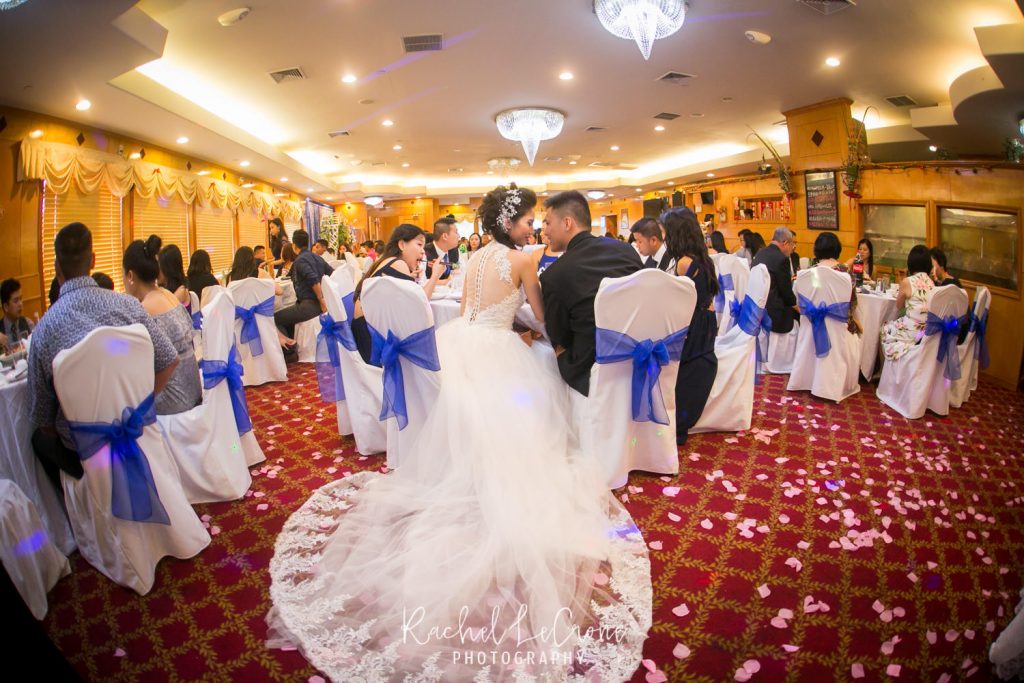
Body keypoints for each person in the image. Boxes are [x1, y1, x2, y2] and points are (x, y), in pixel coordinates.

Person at [266, 185, 651, 681]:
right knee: (532, 389)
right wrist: (544, 333)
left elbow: (471, 308)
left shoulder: (476, 257)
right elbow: (539, 316)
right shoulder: (522, 259)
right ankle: (505, 480)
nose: (533, 227)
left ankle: (463, 476)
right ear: (510, 223)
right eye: (528, 220)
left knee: (474, 413)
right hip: (497, 348)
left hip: (463, 343)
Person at [27, 222, 178, 491]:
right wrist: (138, 406)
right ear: (93, 261)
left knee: (38, 439)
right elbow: (169, 360)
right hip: (135, 431)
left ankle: (73, 506)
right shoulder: (129, 306)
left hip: (86, 454)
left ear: (57, 267)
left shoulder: (43, 331)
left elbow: (43, 420)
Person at [541, 190, 643, 396]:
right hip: (638, 357)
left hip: (589, 369)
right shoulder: (627, 251)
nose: (545, 230)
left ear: (567, 223)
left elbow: (559, 335)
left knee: (542, 359)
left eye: (548, 223)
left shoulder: (555, 274)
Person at [123, 235, 202, 415]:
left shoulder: (144, 309)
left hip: (176, 399)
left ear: (130, 276)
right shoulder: (169, 295)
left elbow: (167, 361)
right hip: (193, 388)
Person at [662, 208, 719, 444]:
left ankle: (675, 424)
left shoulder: (685, 263)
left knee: (681, 369)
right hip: (706, 321)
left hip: (693, 323)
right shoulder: (702, 258)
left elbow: (679, 303)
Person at [350, 224, 445, 364]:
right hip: (373, 342)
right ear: (402, 245)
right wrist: (435, 275)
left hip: (366, 332)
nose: (423, 252)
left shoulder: (387, 261)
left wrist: (409, 276)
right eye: (419, 244)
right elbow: (420, 303)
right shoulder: (398, 263)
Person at [274, 229, 333, 360]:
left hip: (311, 305)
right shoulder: (318, 258)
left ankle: (289, 353)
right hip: (317, 304)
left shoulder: (300, 260)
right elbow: (332, 274)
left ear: (294, 246)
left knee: (276, 317)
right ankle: (292, 345)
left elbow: (313, 279)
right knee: (287, 314)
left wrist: (321, 300)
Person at [880, 245, 936, 361]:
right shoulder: (931, 283)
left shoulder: (907, 281)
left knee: (885, 328)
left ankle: (886, 368)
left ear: (911, 262)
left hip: (913, 332)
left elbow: (898, 306)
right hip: (927, 332)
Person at [811, 232, 861, 335]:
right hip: (841, 327)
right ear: (838, 249)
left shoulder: (809, 272)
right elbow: (852, 303)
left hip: (814, 326)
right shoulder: (846, 272)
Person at [752, 227, 800, 334]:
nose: (793, 248)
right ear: (785, 242)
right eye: (792, 244)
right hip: (776, 316)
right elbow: (786, 293)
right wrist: (798, 307)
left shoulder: (760, 253)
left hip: (758, 310)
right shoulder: (781, 259)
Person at [1, 278, 34, 351]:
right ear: (6, 307)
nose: (20, 304)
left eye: (21, 299)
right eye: (16, 301)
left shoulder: (28, 323)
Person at [424, 215, 460, 280]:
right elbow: (421, 281)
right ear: (445, 236)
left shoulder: (453, 251)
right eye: (456, 232)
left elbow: (455, 267)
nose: (459, 236)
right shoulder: (425, 254)